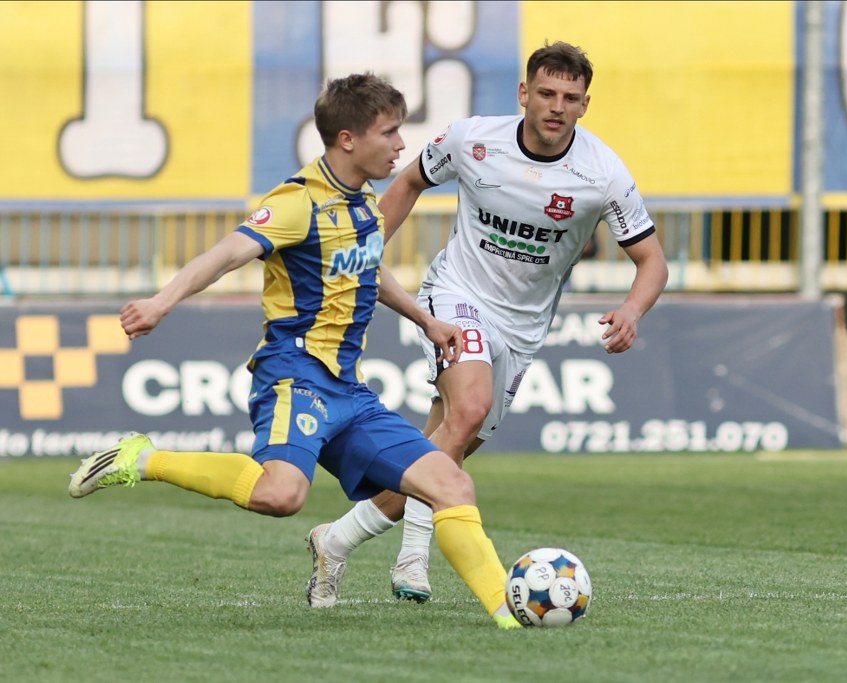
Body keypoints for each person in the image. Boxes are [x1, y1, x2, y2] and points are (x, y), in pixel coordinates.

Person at [66, 73, 521, 630]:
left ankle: (510, 617)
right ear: (348, 139)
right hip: (295, 376)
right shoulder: (296, 202)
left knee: (451, 482)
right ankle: (142, 459)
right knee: (281, 495)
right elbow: (227, 253)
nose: (401, 145)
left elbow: (367, 270)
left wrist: (426, 319)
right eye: (389, 132)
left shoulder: (364, 202)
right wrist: (162, 302)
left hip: (349, 391)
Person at [309, 42, 669, 605]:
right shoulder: (472, 141)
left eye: (570, 97)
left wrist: (631, 310)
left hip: (522, 330)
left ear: (585, 105)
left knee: (445, 442)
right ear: (524, 93)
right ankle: (412, 556)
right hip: (457, 295)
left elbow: (652, 262)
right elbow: (408, 182)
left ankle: (335, 539)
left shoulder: (603, 174)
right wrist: (364, 250)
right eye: (546, 93)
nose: (557, 106)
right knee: (468, 409)